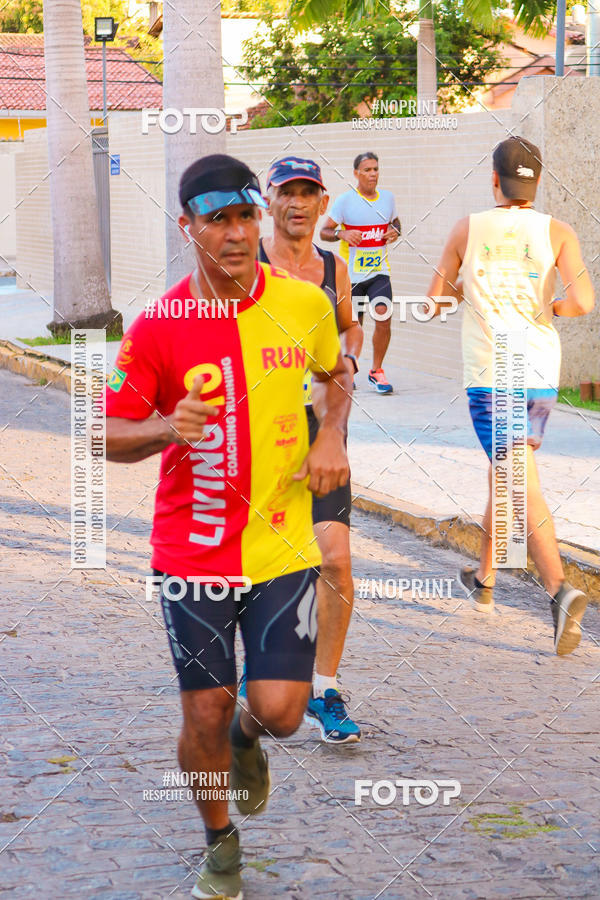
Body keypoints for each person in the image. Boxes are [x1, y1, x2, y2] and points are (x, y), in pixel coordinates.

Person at [105, 154, 352, 900]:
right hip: (193, 548)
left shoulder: (305, 304)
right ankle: (220, 846)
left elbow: (335, 373)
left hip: (280, 541)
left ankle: (250, 743)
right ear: (190, 229)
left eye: (247, 216)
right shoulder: (157, 327)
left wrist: (330, 433)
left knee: (281, 712)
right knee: (205, 708)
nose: (238, 234)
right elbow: (102, 434)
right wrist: (160, 426)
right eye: (219, 221)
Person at [426, 135, 594, 656]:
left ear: (493, 179)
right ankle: (484, 578)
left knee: (518, 479)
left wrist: (468, 291)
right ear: (537, 182)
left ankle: (558, 590)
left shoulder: (466, 228)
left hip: (492, 372)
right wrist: (547, 310)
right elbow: (583, 302)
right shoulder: (558, 231)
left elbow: (435, 301)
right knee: (510, 471)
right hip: (539, 371)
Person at [258, 156, 364, 743]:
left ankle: (325, 688)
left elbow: (350, 327)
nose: (298, 203)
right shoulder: (245, 267)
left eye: (309, 194)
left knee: (336, 562)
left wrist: (346, 356)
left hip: (323, 433)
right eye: (287, 193)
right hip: (258, 437)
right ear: (268, 201)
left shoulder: (333, 267)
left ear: (324, 205)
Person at [321, 151, 401, 394]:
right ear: (356, 173)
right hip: (351, 276)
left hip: (379, 272)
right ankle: (348, 369)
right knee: (353, 325)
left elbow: (396, 223)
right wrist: (342, 234)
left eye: (375, 169)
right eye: (367, 170)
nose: (373, 174)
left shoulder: (387, 199)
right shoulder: (345, 201)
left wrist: (395, 232)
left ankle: (376, 371)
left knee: (383, 315)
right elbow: (324, 231)